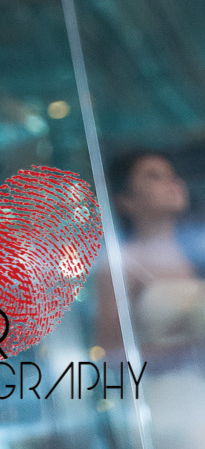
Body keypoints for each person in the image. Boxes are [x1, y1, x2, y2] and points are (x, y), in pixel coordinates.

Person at [97, 153, 205, 449]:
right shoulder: (123, 264)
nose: (172, 181)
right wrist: (185, 347)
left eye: (172, 174)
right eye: (153, 176)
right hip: (169, 404)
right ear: (126, 201)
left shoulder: (195, 253)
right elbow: (113, 354)